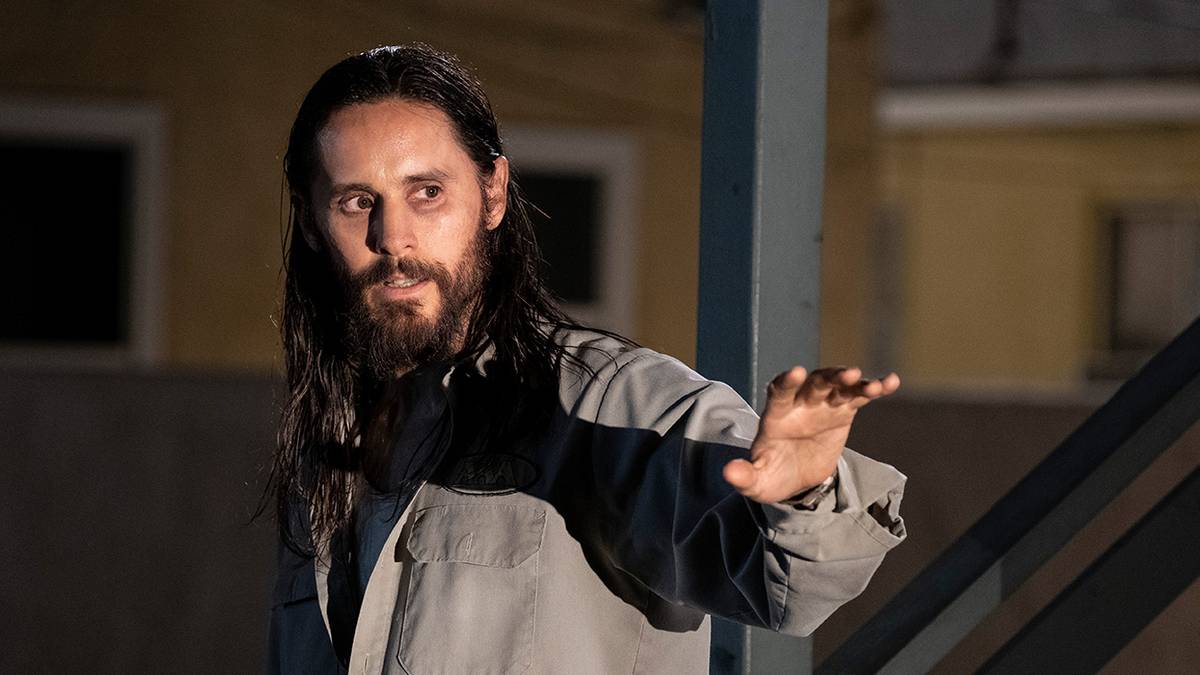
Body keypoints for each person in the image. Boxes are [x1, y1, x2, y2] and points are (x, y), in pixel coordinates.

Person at [266, 44, 906, 675]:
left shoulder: (604, 400)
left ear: (493, 193)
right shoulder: (331, 443)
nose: (392, 238)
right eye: (357, 202)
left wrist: (802, 491)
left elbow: (786, 582)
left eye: (427, 192)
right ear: (315, 223)